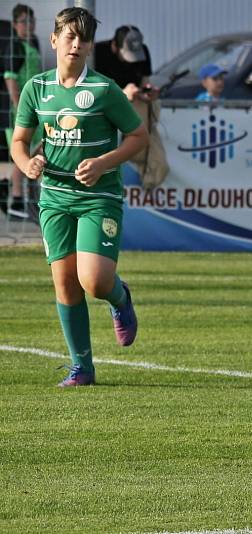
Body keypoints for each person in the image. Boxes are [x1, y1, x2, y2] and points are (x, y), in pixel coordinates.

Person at [10, 7, 148, 387]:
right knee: (66, 284)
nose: (76, 43)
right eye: (69, 36)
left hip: (98, 198)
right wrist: (26, 163)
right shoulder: (37, 88)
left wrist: (103, 162)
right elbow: (19, 142)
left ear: (89, 47)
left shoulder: (104, 90)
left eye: (83, 38)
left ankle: (120, 299)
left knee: (96, 282)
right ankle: (82, 368)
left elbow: (139, 137)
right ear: (54, 40)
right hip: (54, 198)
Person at [94, 25, 168, 189]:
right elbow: (89, 92)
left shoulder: (144, 52)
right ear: (114, 46)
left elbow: (145, 81)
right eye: (127, 56)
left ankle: (143, 163)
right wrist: (120, 94)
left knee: (151, 108)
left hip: (133, 103)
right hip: (102, 107)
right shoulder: (96, 53)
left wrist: (147, 92)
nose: (132, 61)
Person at [2, 3, 42, 219]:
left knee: (35, 151)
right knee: (22, 154)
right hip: (18, 111)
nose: (29, 25)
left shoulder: (33, 42)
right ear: (15, 24)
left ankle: (20, 194)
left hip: (34, 108)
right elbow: (10, 78)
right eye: (24, 21)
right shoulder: (14, 46)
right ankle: (16, 202)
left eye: (32, 21)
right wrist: (20, 107)